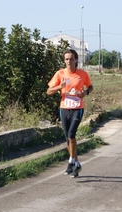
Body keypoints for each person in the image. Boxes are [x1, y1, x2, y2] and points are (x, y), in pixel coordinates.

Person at [47, 49, 93, 178]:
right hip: (64, 108)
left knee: (72, 134)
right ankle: (77, 163)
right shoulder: (60, 73)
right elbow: (49, 91)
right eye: (66, 59)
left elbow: (90, 86)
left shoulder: (82, 74)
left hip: (78, 108)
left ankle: (71, 161)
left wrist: (85, 93)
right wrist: (59, 87)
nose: (69, 61)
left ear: (76, 60)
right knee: (68, 138)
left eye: (71, 59)